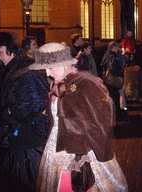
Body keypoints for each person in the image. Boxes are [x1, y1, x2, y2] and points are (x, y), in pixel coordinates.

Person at [28, 42, 128, 192]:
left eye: (50, 68)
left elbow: (103, 120)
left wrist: (92, 152)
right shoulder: (57, 84)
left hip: (82, 151)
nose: (47, 74)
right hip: (55, 148)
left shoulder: (86, 81)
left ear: (64, 64)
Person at [0, 32, 50, 191]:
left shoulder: (25, 70)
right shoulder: (15, 68)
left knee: (28, 182)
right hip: (19, 139)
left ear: (10, 50)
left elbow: (34, 103)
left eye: (0, 52)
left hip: (28, 140)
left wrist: (9, 111)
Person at [101, 41, 124, 120]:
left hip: (108, 80)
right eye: (117, 47)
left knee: (112, 96)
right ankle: (115, 114)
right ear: (114, 47)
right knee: (114, 96)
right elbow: (112, 67)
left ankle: (113, 113)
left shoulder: (107, 54)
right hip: (112, 80)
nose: (118, 49)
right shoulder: (112, 55)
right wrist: (119, 73)